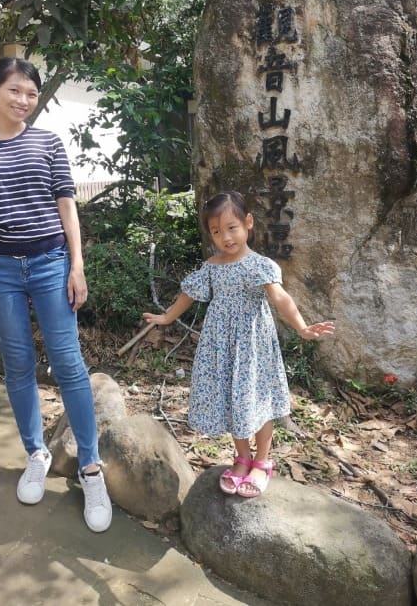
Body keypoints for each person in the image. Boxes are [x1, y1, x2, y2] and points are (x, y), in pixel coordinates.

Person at [0, 57, 111, 533]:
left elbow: (66, 205)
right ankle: (36, 452)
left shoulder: (48, 143)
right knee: (17, 364)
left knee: (69, 363)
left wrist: (77, 264)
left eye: (31, 94)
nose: (23, 101)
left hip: (51, 264)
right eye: (14, 91)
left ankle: (91, 468)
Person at [143, 191, 335, 497]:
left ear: (248, 223)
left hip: (253, 347)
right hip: (221, 345)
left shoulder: (259, 264)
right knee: (233, 400)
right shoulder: (212, 265)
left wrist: (302, 327)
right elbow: (189, 294)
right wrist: (167, 318)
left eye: (232, 227)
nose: (225, 237)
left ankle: (262, 462)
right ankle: (242, 458)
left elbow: (280, 297)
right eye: (217, 231)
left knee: (257, 402)